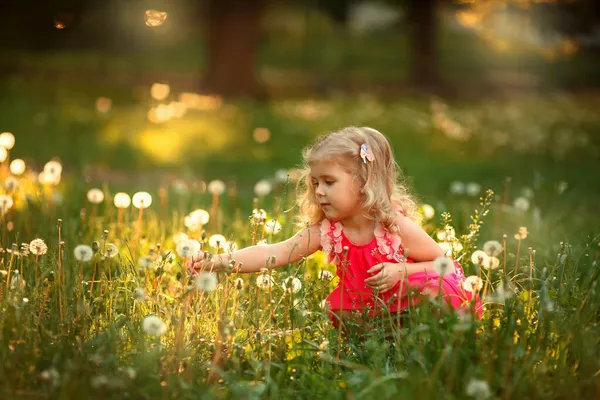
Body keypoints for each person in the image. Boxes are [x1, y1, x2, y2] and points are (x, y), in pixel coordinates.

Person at [189, 126, 481, 329]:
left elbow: (444, 264)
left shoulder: (392, 225)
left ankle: (430, 342)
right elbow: (274, 253)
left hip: (411, 292)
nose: (319, 191)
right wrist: (215, 262)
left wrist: (401, 271)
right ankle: (377, 345)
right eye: (315, 183)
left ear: (364, 182)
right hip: (370, 305)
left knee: (437, 297)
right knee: (339, 310)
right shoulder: (327, 231)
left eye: (329, 182)